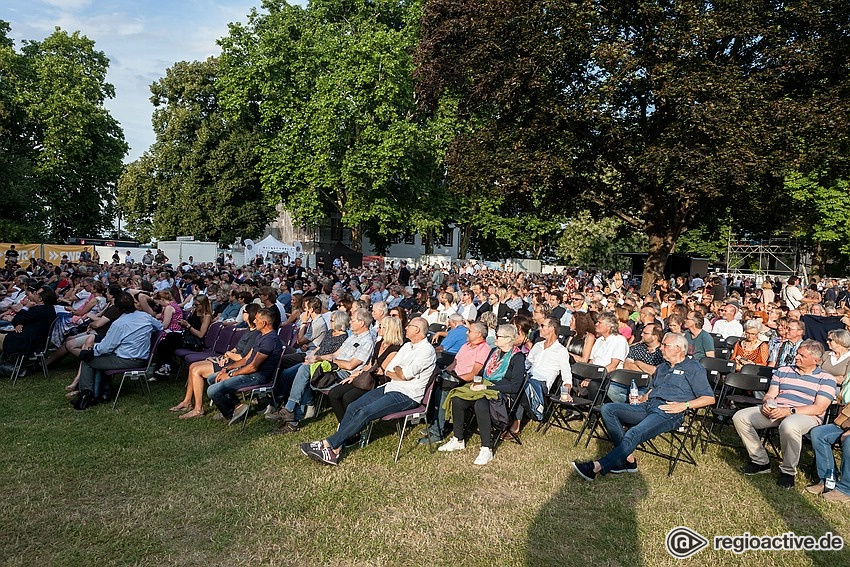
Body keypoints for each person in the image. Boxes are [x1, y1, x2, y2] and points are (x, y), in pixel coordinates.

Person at [571, 333, 715, 480]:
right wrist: (642, 397)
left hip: (668, 411)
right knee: (608, 409)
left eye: (665, 346)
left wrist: (684, 405)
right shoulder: (662, 368)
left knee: (634, 432)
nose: (661, 349)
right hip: (647, 405)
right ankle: (628, 459)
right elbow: (653, 389)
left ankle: (596, 467)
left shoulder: (693, 368)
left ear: (678, 349)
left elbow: (709, 398)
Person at [299, 317, 436, 466]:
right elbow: (390, 370)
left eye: (409, 326)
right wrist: (398, 372)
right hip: (390, 387)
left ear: (417, 329)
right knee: (353, 407)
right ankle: (335, 451)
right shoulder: (407, 346)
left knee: (365, 412)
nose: (406, 328)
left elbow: (403, 374)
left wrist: (399, 372)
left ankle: (328, 444)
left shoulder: (426, 351)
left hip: (407, 395)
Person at [732, 339, 837, 489]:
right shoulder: (783, 371)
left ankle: (788, 472)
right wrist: (768, 403)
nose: (796, 357)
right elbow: (770, 394)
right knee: (741, 417)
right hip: (778, 409)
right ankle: (760, 461)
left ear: (816, 360)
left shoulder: (826, 379)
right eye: (797, 354)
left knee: (789, 425)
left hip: (807, 415)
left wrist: (789, 411)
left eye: (802, 356)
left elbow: (819, 408)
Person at [438, 324, 527, 465]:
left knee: (481, 403)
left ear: (508, 339)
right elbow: (481, 372)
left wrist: (486, 386)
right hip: (485, 387)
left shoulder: (518, 358)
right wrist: (477, 383)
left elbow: (515, 386)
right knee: (457, 398)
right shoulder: (494, 352)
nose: (494, 338)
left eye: (498, 336)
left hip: (504, 394)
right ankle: (458, 439)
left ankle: (486, 448)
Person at [271, 308, 374, 427]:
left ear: (361, 323)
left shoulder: (367, 341)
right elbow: (334, 354)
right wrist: (318, 358)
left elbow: (350, 365)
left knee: (304, 373)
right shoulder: (353, 337)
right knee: (305, 371)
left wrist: (328, 360)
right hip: (334, 368)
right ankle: (291, 413)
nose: (350, 322)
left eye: (352, 320)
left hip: (344, 375)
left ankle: (291, 413)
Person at [73, 292, 163, 410]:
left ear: (117, 308)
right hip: (141, 357)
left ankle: (86, 394)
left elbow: (106, 347)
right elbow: (159, 327)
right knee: (99, 358)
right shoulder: (145, 317)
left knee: (88, 359)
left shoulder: (119, 324)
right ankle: (102, 393)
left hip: (127, 359)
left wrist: (90, 351)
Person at [171, 304, 261, 418]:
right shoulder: (249, 330)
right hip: (229, 360)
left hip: (235, 364)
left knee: (197, 370)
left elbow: (242, 358)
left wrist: (228, 355)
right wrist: (225, 356)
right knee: (192, 366)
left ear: (250, 315)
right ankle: (187, 401)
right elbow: (237, 348)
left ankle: (198, 409)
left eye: (244, 312)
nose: (242, 313)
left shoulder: (256, 334)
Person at [325, 315, 404, 438]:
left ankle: (352, 430)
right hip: (367, 378)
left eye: (381, 327)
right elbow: (370, 365)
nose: (378, 328)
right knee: (334, 393)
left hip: (377, 382)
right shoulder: (379, 344)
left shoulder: (395, 349)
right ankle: (346, 428)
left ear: (389, 329)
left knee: (348, 397)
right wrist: (355, 375)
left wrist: (362, 373)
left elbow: (381, 371)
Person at [207, 308, 284, 425]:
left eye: (257, 319)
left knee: (212, 390)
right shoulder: (261, 336)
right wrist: (227, 368)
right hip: (249, 372)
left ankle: (229, 412)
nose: (254, 321)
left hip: (257, 376)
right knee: (212, 378)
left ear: (264, 323)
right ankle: (237, 407)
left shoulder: (270, 340)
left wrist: (230, 375)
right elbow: (245, 360)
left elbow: (253, 367)